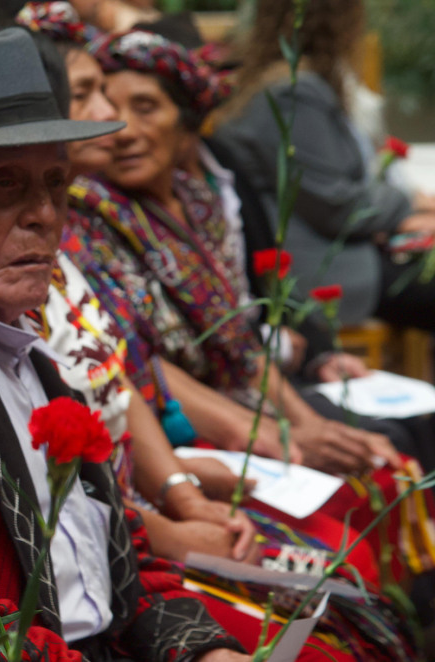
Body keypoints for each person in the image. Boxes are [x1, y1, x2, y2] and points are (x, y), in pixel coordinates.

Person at [0, 27, 250, 662]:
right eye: (6, 185)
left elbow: (120, 558)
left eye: (55, 184)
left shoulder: (28, 349)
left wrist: (205, 650)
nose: (45, 213)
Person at [62, 29, 435, 586]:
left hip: (240, 407)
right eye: (113, 109)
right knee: (350, 512)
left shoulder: (198, 201)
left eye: (146, 108)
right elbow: (136, 364)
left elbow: (240, 341)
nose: (125, 131)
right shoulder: (87, 218)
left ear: (188, 123)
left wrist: (299, 426)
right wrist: (274, 436)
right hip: (183, 432)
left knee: (398, 448)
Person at [214, 0, 435, 331]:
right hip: (327, 270)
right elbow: (336, 205)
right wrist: (408, 208)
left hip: (350, 248)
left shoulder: (288, 82)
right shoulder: (292, 91)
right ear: (338, 21)